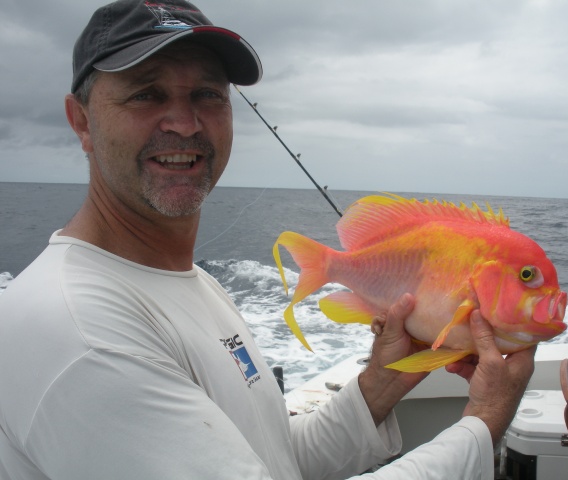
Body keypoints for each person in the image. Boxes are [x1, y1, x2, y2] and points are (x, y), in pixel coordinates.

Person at [0, 1, 535, 478]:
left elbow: (277, 457)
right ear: (82, 122)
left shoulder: (189, 283)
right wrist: (482, 426)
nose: (185, 124)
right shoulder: (81, 331)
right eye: (146, 93)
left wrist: (385, 379)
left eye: (208, 94)